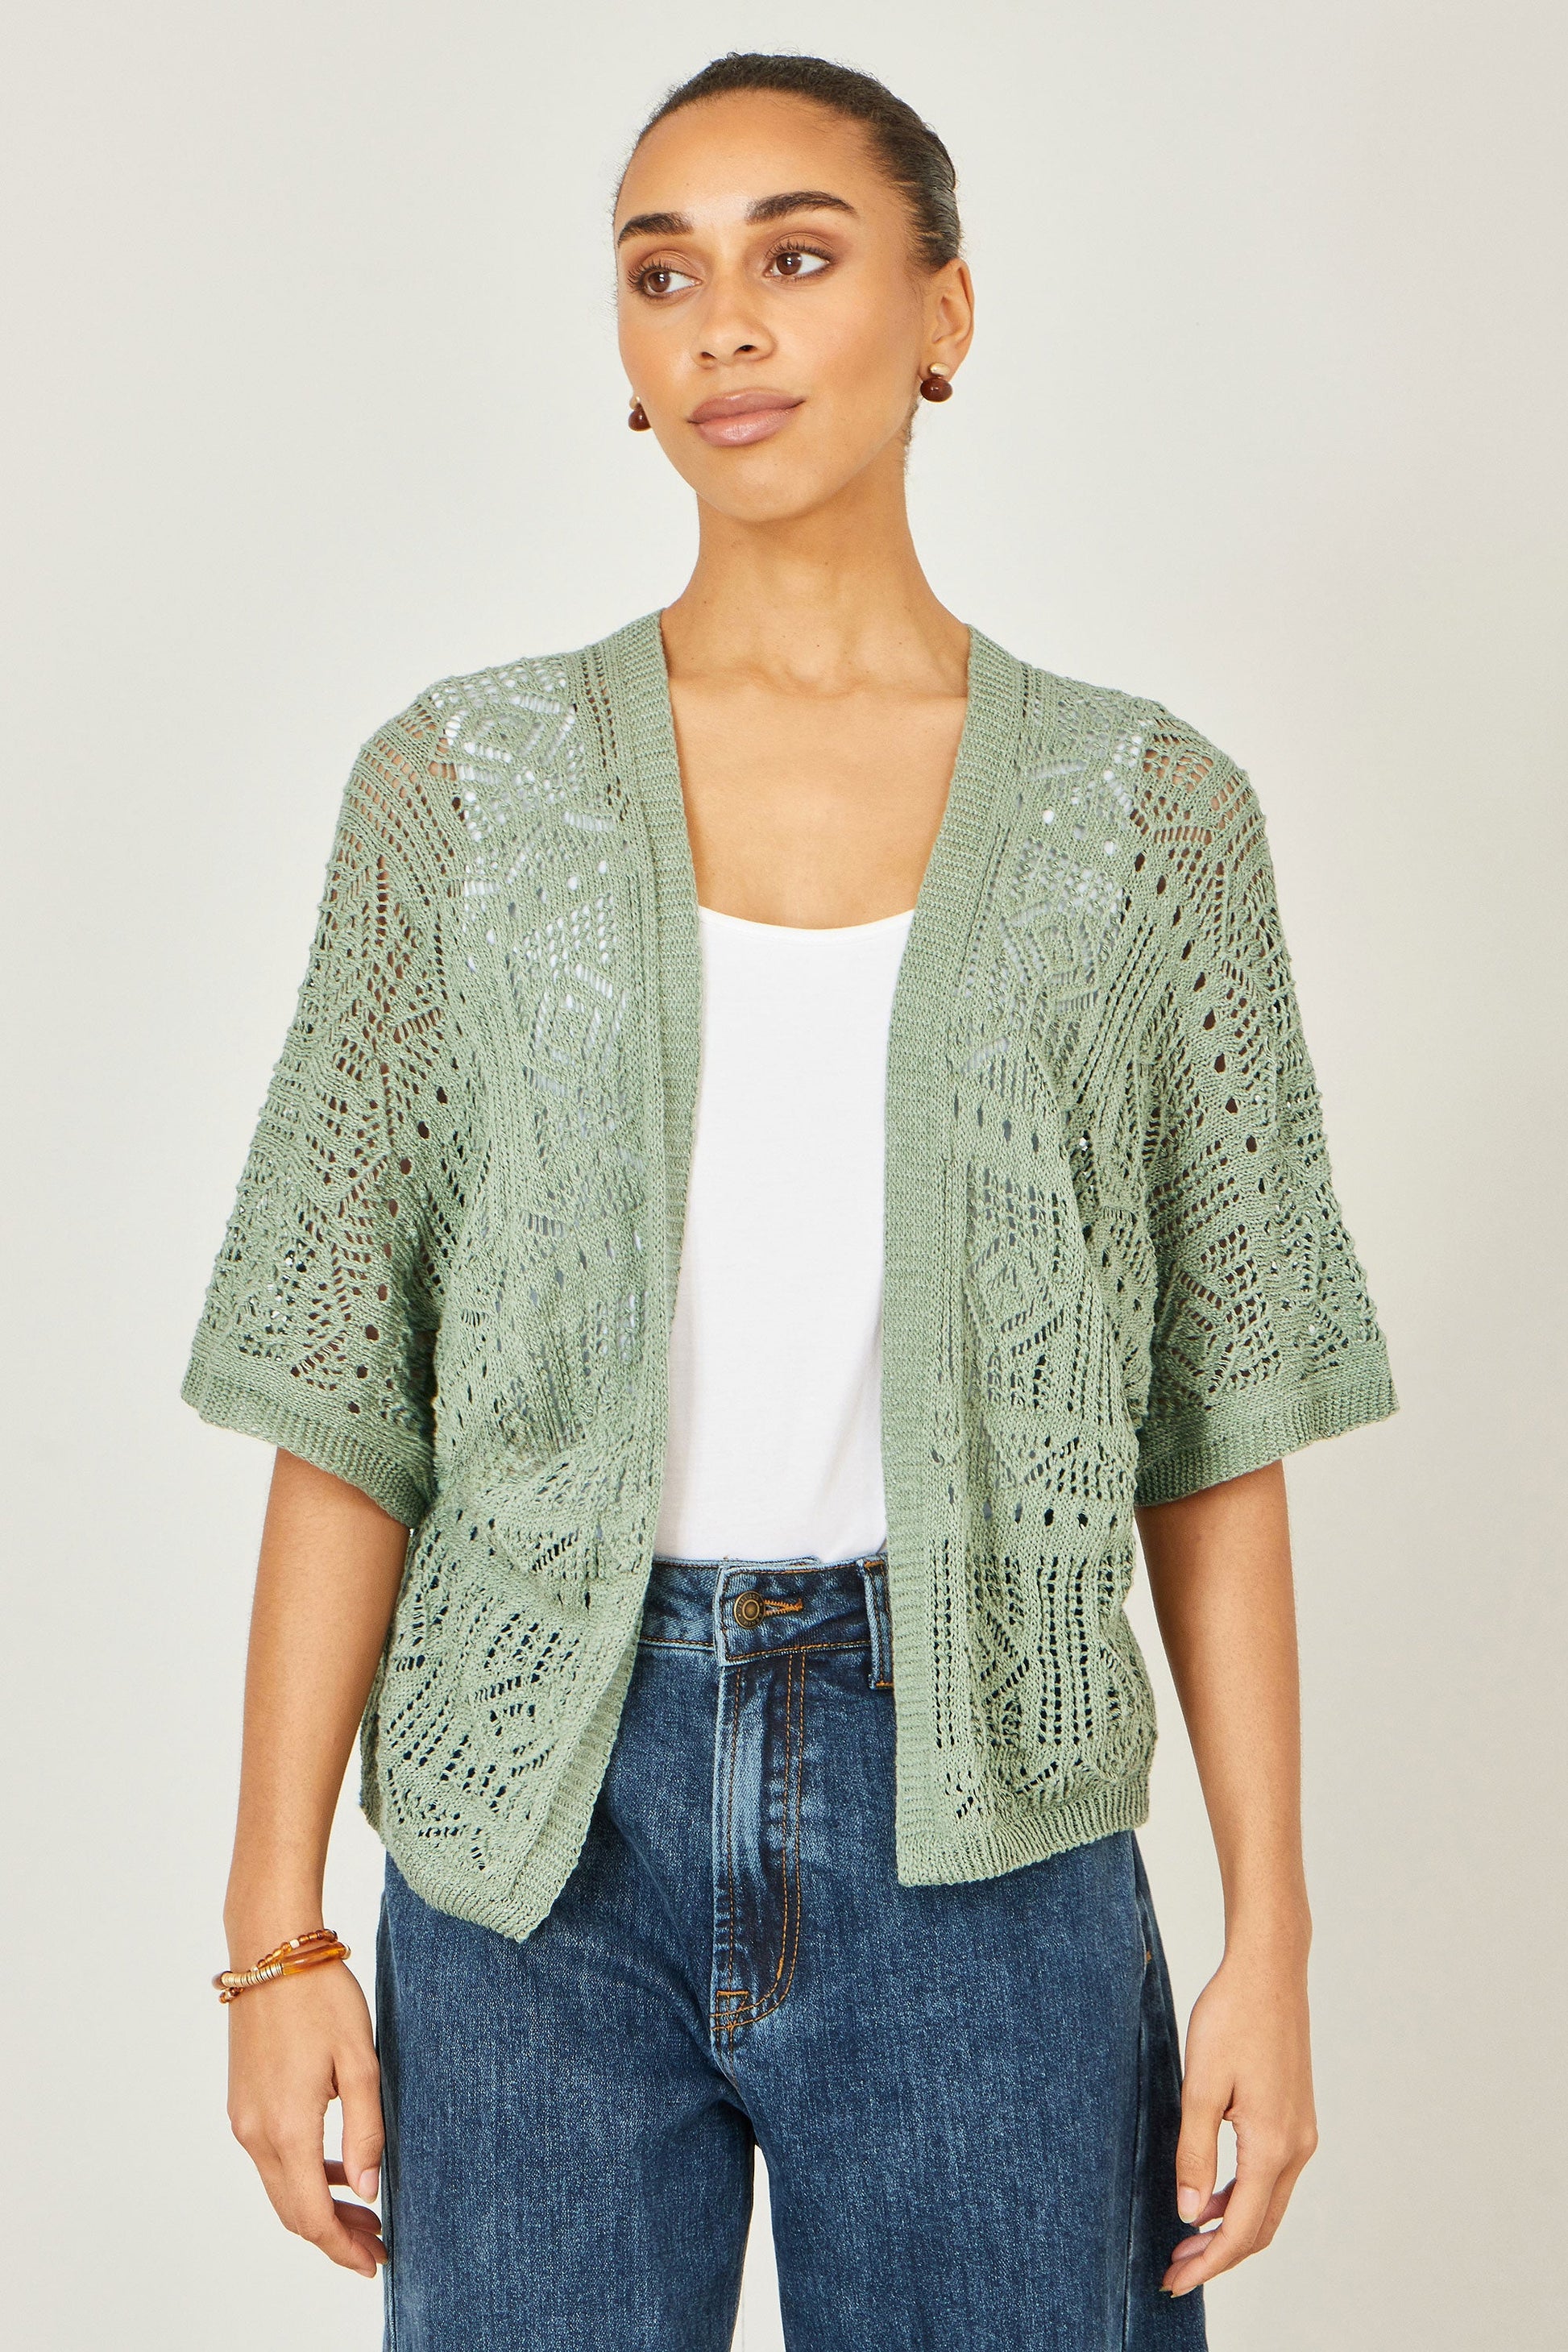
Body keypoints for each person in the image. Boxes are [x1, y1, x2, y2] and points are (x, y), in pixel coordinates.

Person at [182, 51, 1397, 2352]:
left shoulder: (1144, 819)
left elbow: (1211, 1426)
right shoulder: (462, 794)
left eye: (797, 256)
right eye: (662, 276)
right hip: (533, 1835)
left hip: (990, 1821)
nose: (722, 322)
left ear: (946, 313)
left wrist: (1272, 1942)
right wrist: (277, 1934)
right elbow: (346, 1394)